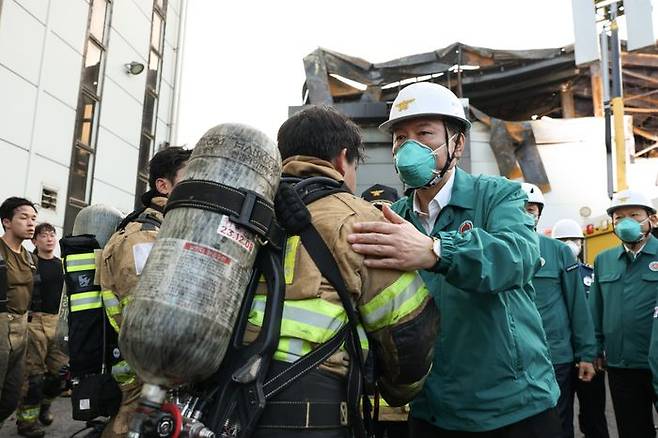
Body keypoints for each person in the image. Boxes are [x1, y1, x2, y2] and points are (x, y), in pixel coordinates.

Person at [346, 82, 561, 437]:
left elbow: (518, 256)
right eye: (400, 137)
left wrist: (435, 251)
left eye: (424, 133)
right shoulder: (390, 219)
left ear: (457, 143)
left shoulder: (497, 195)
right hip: (433, 410)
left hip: (516, 407)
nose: (408, 146)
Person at [243, 105, 438, 438]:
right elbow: (409, 332)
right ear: (342, 159)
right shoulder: (361, 220)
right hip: (316, 413)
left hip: (230, 407)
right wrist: (398, 392)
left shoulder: (248, 212)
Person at [99, 146, 191, 438]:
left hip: (161, 364)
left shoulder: (171, 229)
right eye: (190, 178)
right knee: (132, 427)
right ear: (163, 185)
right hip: (142, 366)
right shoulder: (143, 236)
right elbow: (141, 312)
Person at [521, 184, 597, 438]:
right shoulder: (493, 250)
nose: (524, 213)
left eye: (530, 209)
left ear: (538, 214)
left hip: (555, 357)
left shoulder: (559, 252)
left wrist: (586, 353)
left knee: (557, 424)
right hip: (511, 359)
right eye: (517, 208)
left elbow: (578, 306)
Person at [590, 189, 657, 438]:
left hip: (656, 362)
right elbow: (595, 309)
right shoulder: (603, 260)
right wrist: (593, 349)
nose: (626, 222)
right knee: (632, 431)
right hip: (622, 365)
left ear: (653, 219)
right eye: (619, 218)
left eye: (634, 215)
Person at [552, 218, 609, 438]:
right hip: (562, 357)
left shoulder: (591, 274)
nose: (569, 244)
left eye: (574, 239)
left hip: (590, 357)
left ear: (581, 243)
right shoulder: (548, 276)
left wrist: (598, 350)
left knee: (594, 417)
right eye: (563, 240)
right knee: (559, 417)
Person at [15, 223, 68, 437]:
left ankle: (45, 405)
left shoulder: (62, 265)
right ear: (34, 241)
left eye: (52, 235)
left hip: (57, 322)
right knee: (33, 378)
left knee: (59, 376)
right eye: (43, 235)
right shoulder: (29, 263)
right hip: (33, 322)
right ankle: (26, 423)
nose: (49, 239)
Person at [0, 198, 38, 426]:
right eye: (24, 218)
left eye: (33, 218)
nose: (31, 223)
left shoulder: (29, 257)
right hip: (2, 322)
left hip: (21, 327)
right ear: (6, 222)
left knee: (12, 394)